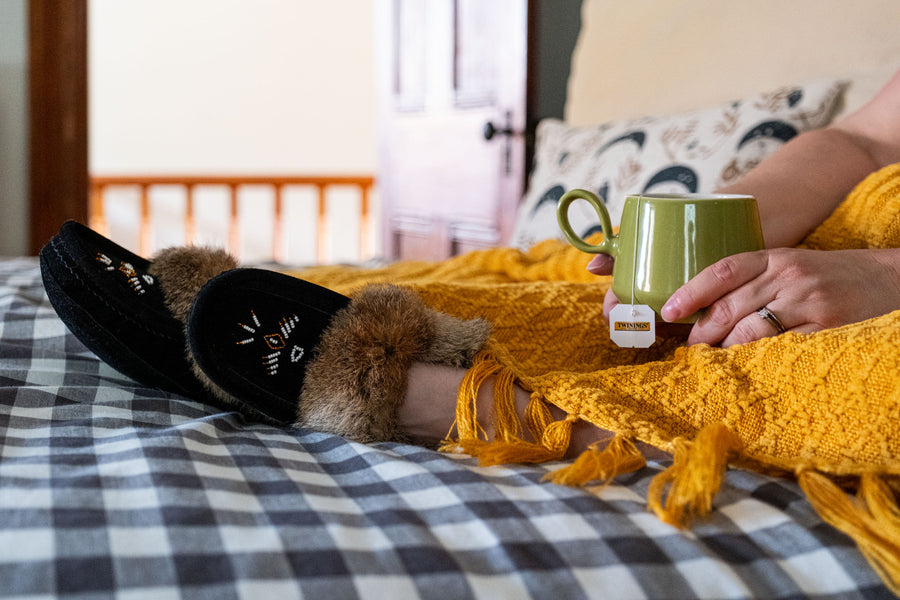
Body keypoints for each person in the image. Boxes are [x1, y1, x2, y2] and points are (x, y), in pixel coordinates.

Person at [399, 67, 900, 452]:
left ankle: (560, 425)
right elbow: (867, 141)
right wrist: (712, 230)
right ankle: (389, 365)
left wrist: (883, 275)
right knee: (442, 311)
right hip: (819, 248)